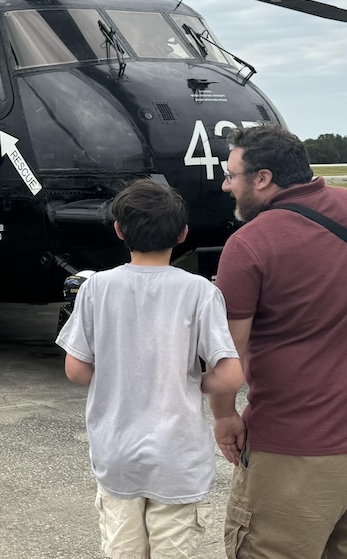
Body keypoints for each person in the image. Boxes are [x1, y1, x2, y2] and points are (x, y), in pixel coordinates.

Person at [56, 179, 243, 559]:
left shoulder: (96, 288)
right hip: (177, 459)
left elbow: (75, 369)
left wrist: (117, 377)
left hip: (117, 455)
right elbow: (230, 375)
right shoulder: (199, 291)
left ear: (118, 230)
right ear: (183, 233)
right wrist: (187, 380)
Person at [210, 124, 347, 558]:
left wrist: (223, 416)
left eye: (231, 175)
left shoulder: (250, 243)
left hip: (295, 447)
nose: (226, 185)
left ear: (263, 178)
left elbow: (227, 355)